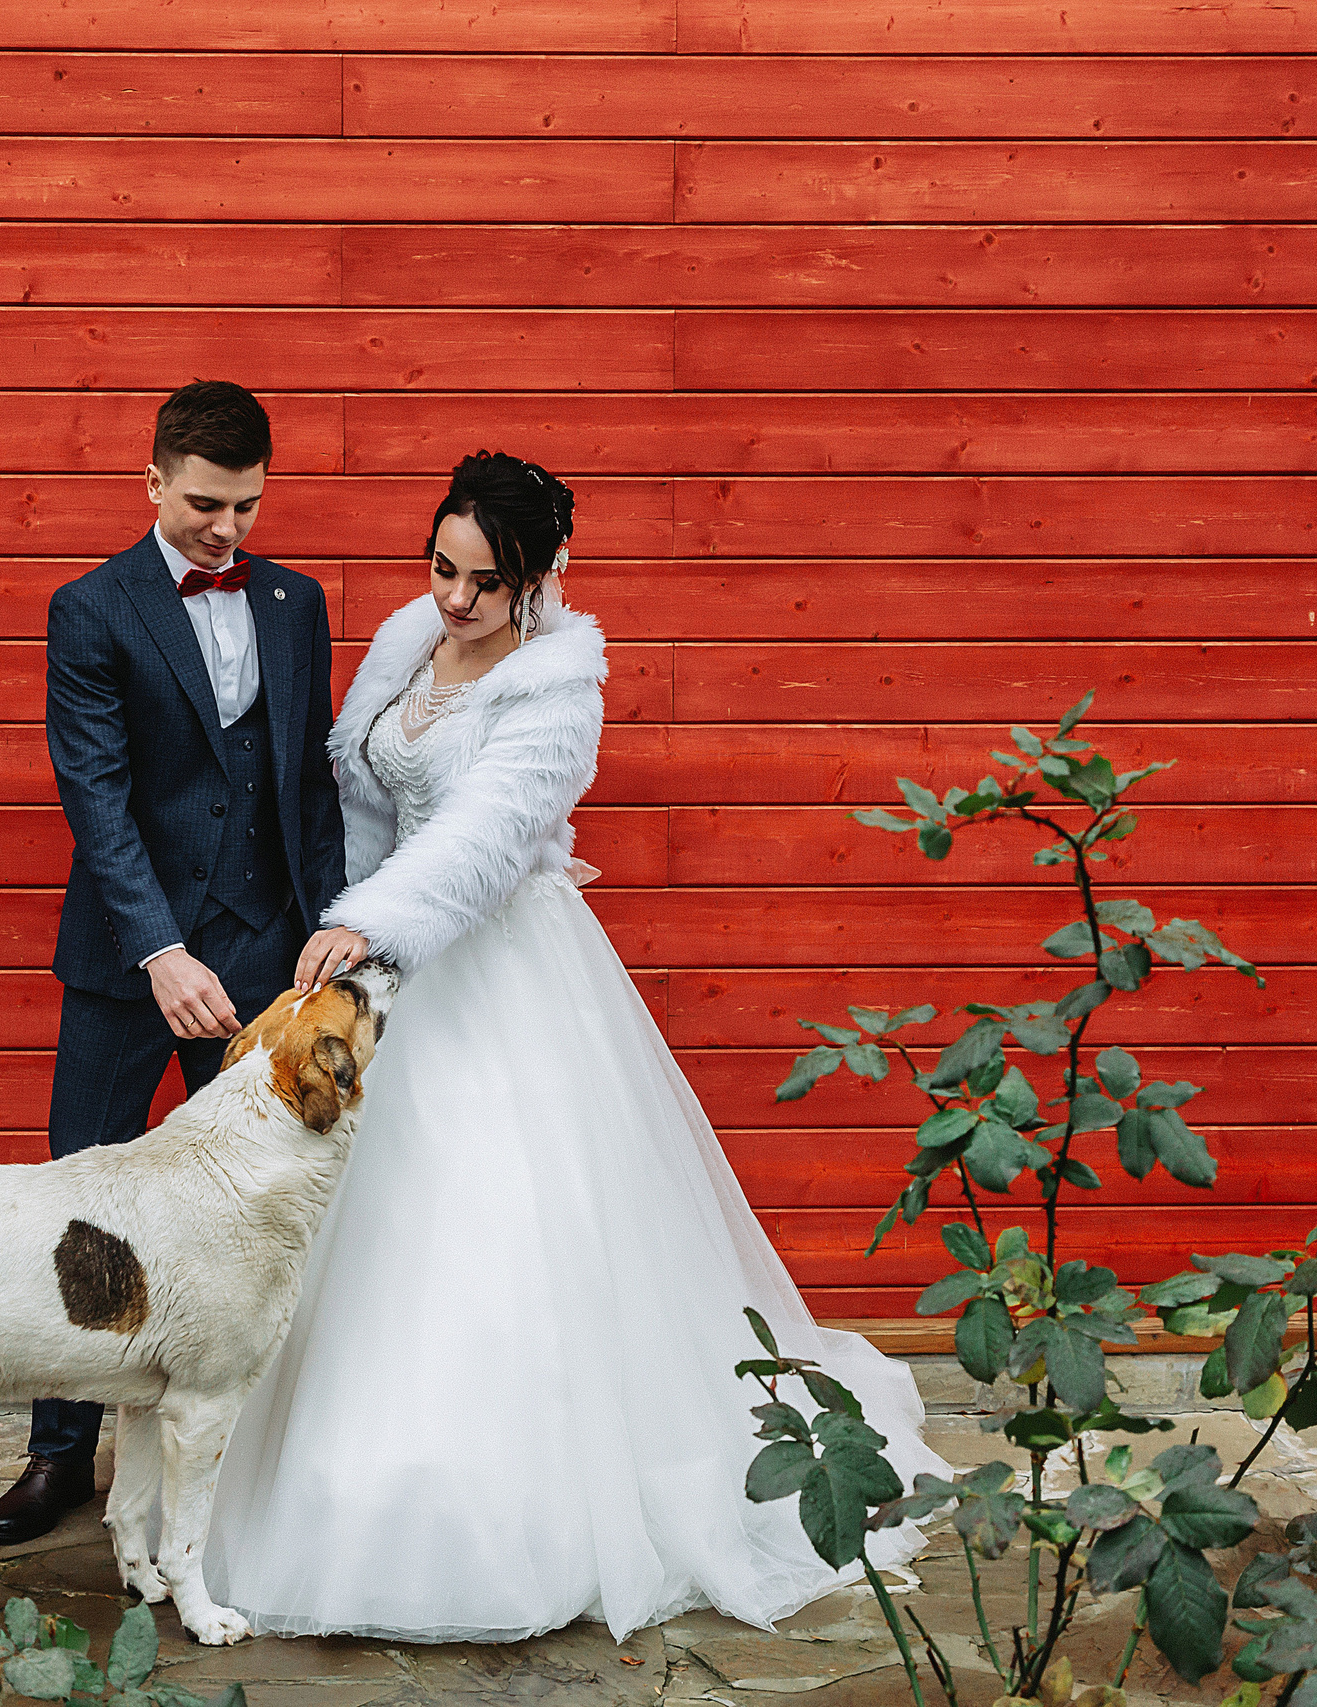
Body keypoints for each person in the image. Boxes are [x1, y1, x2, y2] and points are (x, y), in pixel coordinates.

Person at [204, 451, 947, 1641]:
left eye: (485, 583)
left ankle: (508, 1505)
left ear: (546, 576)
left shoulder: (558, 691)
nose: (455, 599)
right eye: (440, 569)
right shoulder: (408, 643)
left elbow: (489, 838)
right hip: (383, 969)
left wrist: (366, 925)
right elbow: (359, 792)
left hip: (494, 971)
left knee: (495, 1221)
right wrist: (339, 925)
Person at [0, 380, 346, 1547]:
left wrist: (325, 932)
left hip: (263, 958)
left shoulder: (297, 604)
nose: (225, 529)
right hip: (126, 961)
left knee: (247, 1210)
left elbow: (304, 785)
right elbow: (94, 792)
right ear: (151, 481)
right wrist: (159, 947)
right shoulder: (90, 608)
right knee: (80, 1205)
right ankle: (57, 1458)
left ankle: (233, 1462)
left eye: (243, 505)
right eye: (202, 503)